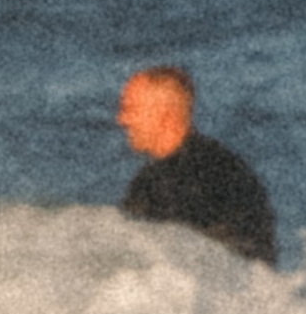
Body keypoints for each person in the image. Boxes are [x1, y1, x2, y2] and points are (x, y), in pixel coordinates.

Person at [114, 65, 278, 267]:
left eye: (130, 109)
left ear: (163, 114)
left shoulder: (162, 182)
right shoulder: (229, 166)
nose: (122, 119)